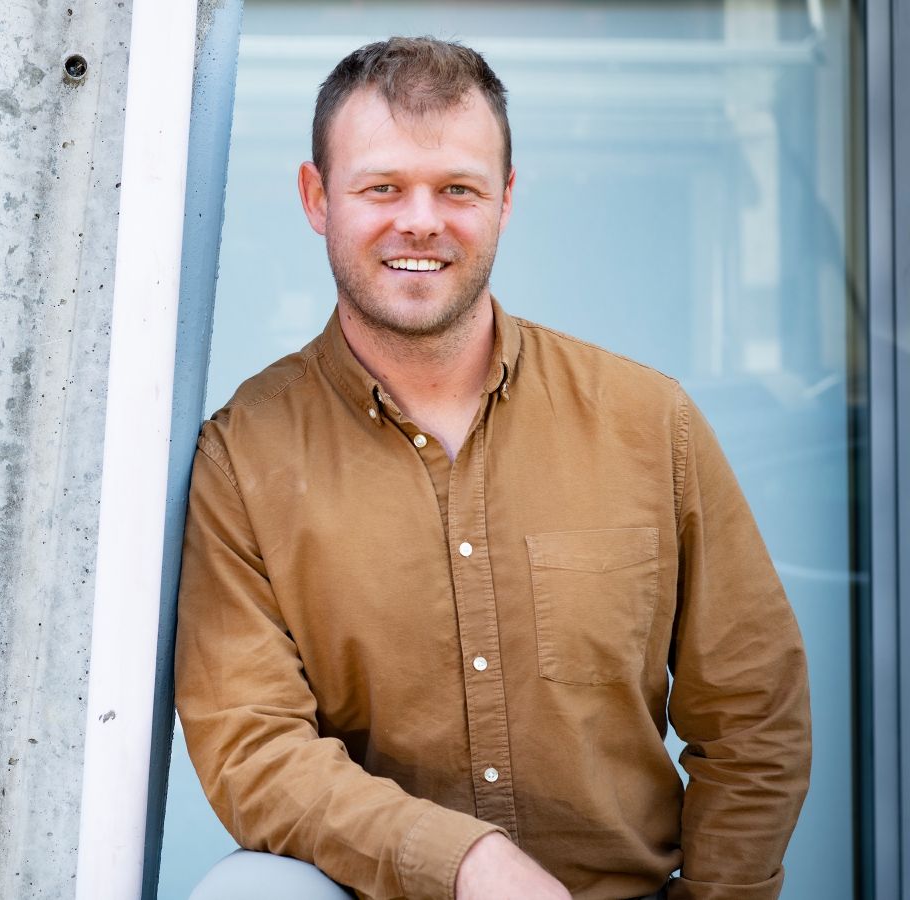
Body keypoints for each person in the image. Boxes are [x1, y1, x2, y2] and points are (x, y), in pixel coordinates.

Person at [174, 37, 810, 900]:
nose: (421, 221)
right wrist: (462, 861)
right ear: (316, 197)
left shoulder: (649, 423)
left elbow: (752, 711)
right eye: (382, 187)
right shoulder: (244, 457)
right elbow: (254, 751)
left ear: (506, 199)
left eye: (458, 189)